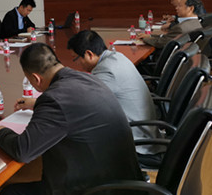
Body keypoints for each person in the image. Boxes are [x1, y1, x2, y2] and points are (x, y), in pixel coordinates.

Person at [0, 43, 142, 195]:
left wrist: (1, 132)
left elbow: (23, 150)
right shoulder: (86, 78)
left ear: (36, 79)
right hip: (124, 186)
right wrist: (37, 104)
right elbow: (71, 107)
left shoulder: (54, 99)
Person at [67, 30, 164, 160]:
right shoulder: (116, 57)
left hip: (137, 140)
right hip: (145, 128)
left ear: (89, 54)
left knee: (74, 134)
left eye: (76, 59)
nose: (76, 64)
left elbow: (84, 104)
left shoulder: (106, 70)